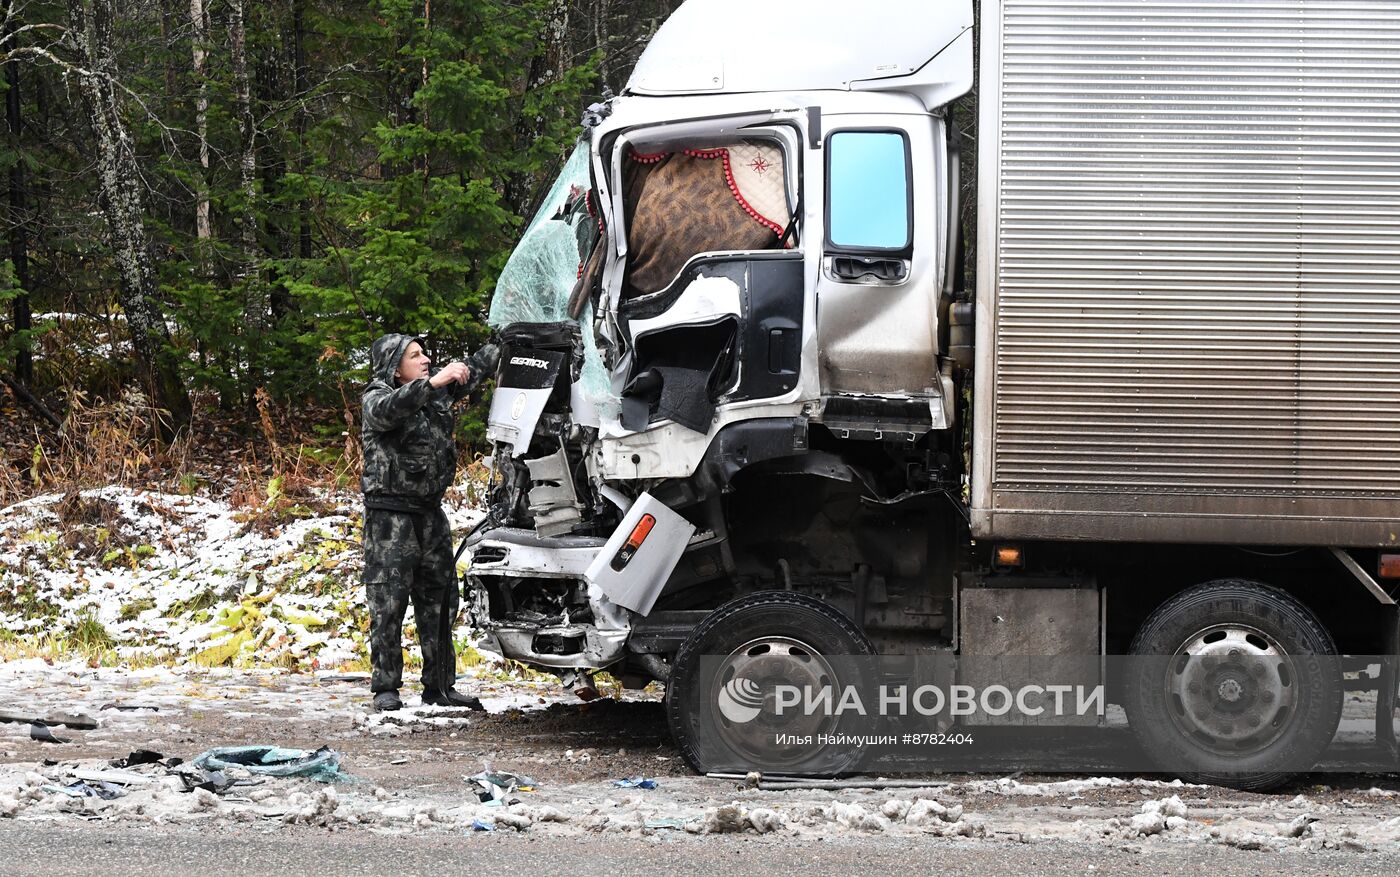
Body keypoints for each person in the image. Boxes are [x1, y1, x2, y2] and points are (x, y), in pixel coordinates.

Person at [360, 333, 499, 712]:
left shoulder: (433, 395)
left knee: (439, 602)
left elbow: (471, 373)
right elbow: (391, 409)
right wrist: (435, 381)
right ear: (394, 366)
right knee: (388, 603)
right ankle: (385, 688)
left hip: (430, 515)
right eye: (414, 355)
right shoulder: (376, 397)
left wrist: (502, 341)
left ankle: (439, 687)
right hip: (390, 519)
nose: (424, 360)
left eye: (424, 354)